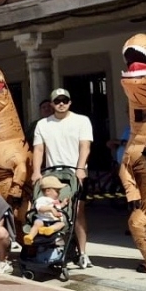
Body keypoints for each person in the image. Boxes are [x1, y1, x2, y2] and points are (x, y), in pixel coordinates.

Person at [32, 87, 94, 267]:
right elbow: (39, 149)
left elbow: (85, 146)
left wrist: (81, 168)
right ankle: (58, 249)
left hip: (75, 173)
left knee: (77, 212)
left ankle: (83, 252)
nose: (61, 104)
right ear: (52, 104)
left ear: (69, 102)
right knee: (55, 212)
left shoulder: (81, 121)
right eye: (57, 101)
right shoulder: (43, 124)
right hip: (53, 175)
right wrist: (36, 171)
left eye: (64, 101)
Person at [24, 176, 67, 245]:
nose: (59, 193)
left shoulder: (55, 201)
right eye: (57, 191)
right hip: (42, 219)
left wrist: (63, 204)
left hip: (53, 221)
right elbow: (40, 208)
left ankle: (50, 229)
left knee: (61, 224)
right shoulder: (42, 199)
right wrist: (50, 209)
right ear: (48, 191)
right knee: (37, 224)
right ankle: (30, 237)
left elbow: (58, 207)